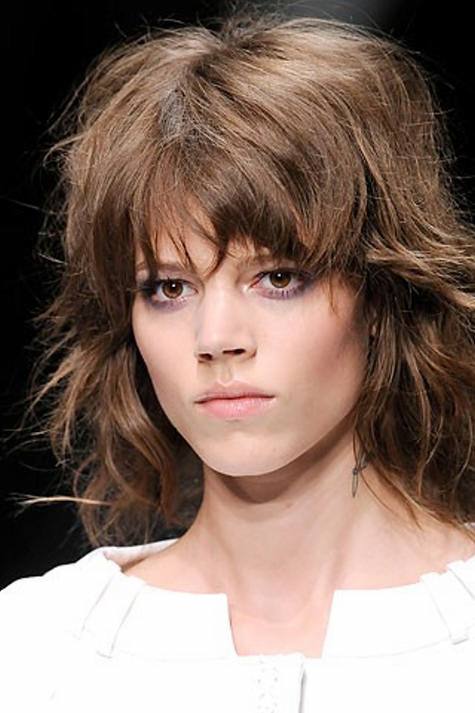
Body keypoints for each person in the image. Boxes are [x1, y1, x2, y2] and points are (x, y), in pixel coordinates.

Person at [1, 5, 475, 711]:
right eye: (168, 288)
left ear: (380, 295)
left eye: (278, 277)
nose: (215, 336)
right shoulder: (34, 650)